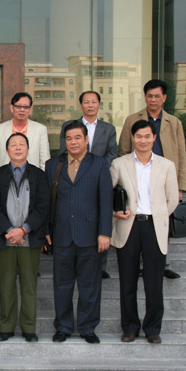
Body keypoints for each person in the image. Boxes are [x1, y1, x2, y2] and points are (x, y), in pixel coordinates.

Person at [45, 120, 112, 344]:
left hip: (90, 235)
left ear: (86, 140)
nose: (73, 142)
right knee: (62, 285)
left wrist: (105, 233)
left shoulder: (99, 164)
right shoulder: (53, 164)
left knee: (89, 285)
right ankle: (63, 326)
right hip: (61, 234)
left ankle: (87, 327)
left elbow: (106, 200)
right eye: (69, 138)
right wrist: (46, 230)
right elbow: (47, 201)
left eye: (77, 138)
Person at [111, 120, 178, 344]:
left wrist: (159, 214)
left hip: (154, 226)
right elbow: (107, 192)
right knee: (127, 281)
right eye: (138, 136)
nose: (143, 140)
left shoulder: (166, 166)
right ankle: (130, 327)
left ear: (154, 138)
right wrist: (115, 212)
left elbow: (172, 198)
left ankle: (152, 328)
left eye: (147, 136)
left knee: (154, 282)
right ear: (132, 138)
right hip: (128, 225)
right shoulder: (119, 164)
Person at [118, 79, 186, 280]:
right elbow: (123, 149)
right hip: (137, 177)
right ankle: (139, 264)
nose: (153, 100)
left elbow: (181, 154)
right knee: (138, 221)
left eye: (157, 96)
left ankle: (163, 264)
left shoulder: (174, 122)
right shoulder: (132, 119)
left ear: (164, 98)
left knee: (161, 221)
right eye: (150, 96)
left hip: (163, 179)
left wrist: (180, 186)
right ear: (145, 97)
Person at [0, 133, 49, 342]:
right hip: (5, 239)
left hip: (30, 240)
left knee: (29, 285)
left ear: (28, 149)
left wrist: (23, 230)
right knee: (6, 285)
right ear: (7, 150)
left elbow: (42, 207)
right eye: (13, 145)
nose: (18, 148)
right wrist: (9, 230)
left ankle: (29, 328)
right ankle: (6, 327)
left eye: (22, 144)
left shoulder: (39, 175)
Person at [59, 90, 118, 279]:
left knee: (99, 215)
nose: (90, 105)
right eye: (86, 102)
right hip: (73, 177)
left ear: (99, 104)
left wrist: (95, 169)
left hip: (99, 177)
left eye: (94, 102)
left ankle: (101, 267)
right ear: (81, 105)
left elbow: (112, 153)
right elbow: (63, 151)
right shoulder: (69, 126)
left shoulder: (108, 129)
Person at [0, 92, 50, 171]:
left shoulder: (40, 130)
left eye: (26, 107)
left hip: (33, 177)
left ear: (30, 109)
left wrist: (41, 178)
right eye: (18, 106)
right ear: (12, 108)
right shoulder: (0, 129)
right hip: (5, 177)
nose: (22, 110)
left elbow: (45, 162)